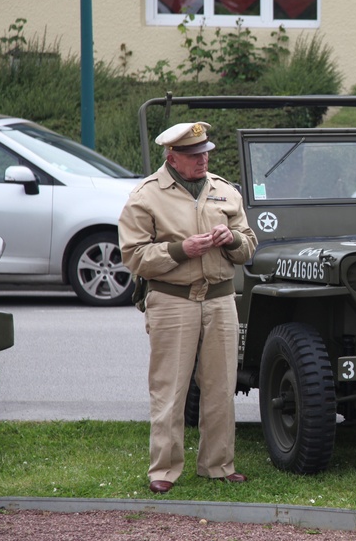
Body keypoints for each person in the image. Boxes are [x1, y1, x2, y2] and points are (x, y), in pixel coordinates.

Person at [119, 121, 258, 495]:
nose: (203, 159)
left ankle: (218, 464)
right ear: (172, 158)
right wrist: (183, 250)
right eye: (194, 155)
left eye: (205, 152)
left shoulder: (224, 190)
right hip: (172, 300)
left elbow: (249, 246)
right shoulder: (146, 196)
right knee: (170, 388)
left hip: (220, 299)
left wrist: (231, 241)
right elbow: (134, 257)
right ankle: (163, 468)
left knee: (221, 385)